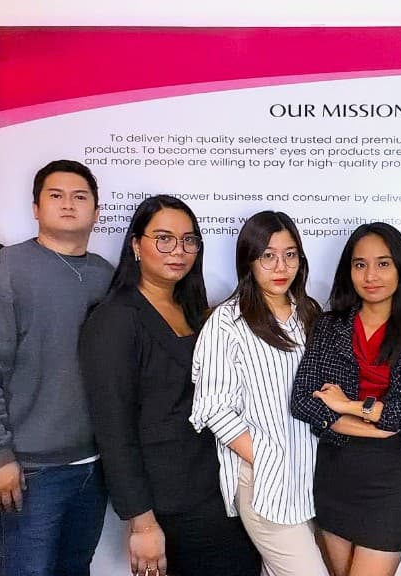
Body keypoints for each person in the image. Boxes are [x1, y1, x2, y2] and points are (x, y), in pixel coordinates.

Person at [79, 195, 260, 576]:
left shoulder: (197, 312)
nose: (178, 250)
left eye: (188, 240)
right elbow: (113, 430)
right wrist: (141, 522)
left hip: (217, 487)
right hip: (167, 501)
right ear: (135, 245)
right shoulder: (114, 319)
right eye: (163, 238)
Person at [0, 160, 113, 576]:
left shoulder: (105, 276)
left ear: (96, 212)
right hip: (28, 470)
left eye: (80, 197)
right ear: (36, 208)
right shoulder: (3, 272)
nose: (68, 205)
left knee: (74, 569)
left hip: (93, 466)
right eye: (55, 196)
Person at [291, 222, 401, 576]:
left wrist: (346, 405)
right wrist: (382, 421)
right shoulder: (329, 327)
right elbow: (303, 399)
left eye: (383, 264)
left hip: (390, 479)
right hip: (335, 473)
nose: (370, 275)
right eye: (360, 265)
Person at [190, 211, 327, 575]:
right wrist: (265, 456)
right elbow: (214, 407)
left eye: (291, 254)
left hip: (309, 477)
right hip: (263, 483)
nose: (281, 265)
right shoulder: (227, 320)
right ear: (249, 261)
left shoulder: (309, 313)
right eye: (268, 255)